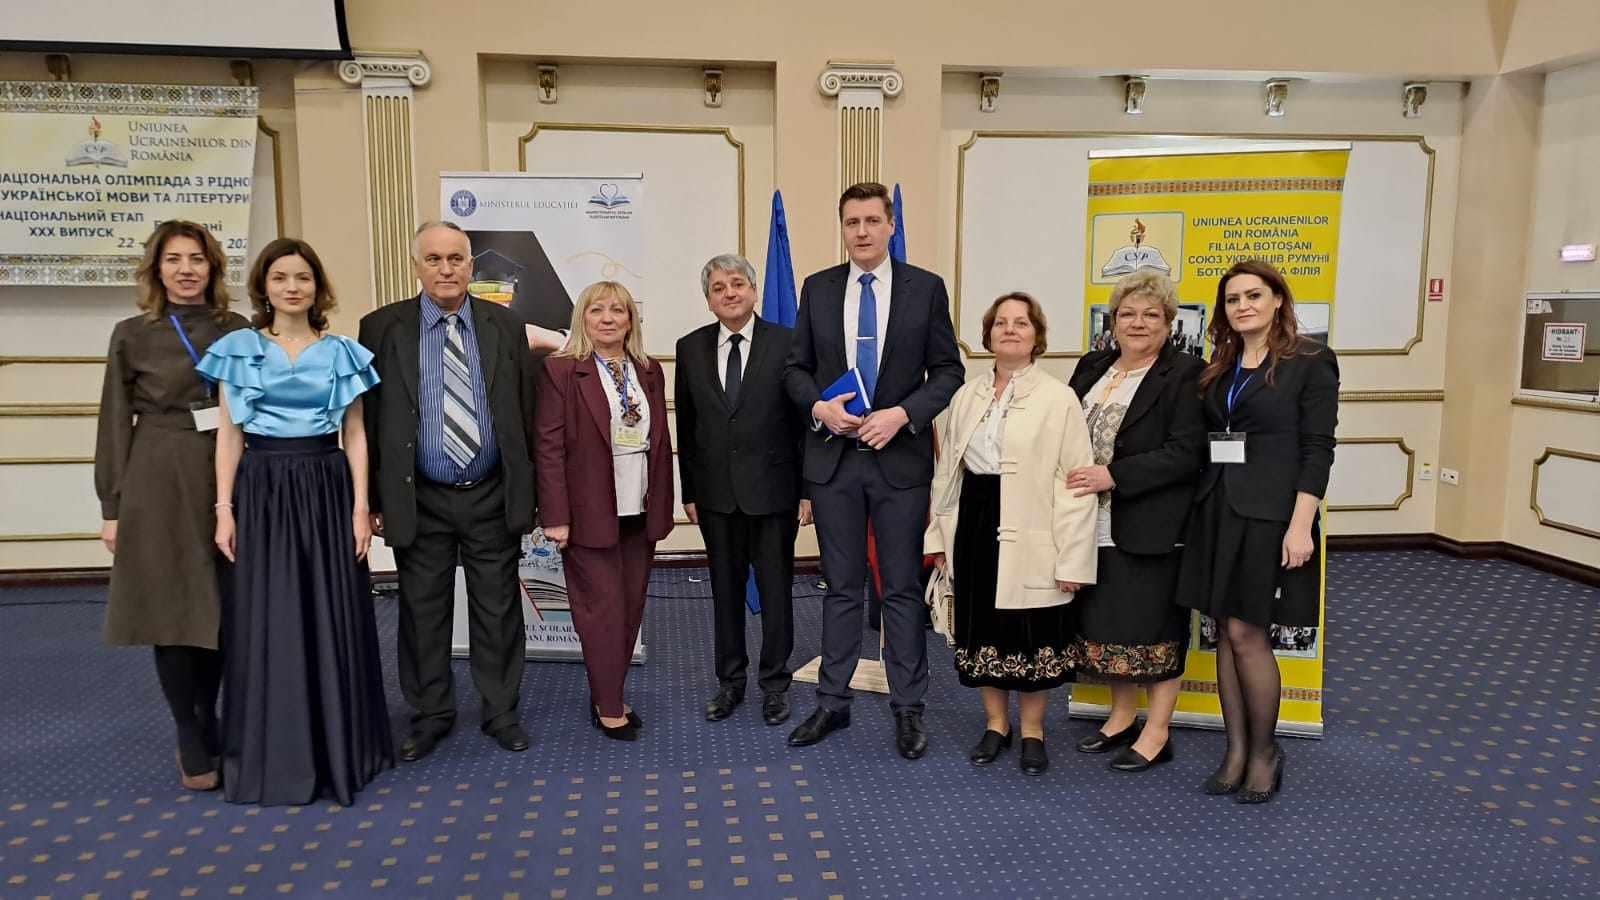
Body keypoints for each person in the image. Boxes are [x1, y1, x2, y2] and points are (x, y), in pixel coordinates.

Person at [202, 238, 391, 805]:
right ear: (263, 286)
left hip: (326, 486)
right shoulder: (238, 349)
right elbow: (228, 435)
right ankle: (277, 751)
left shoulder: (343, 353)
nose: (292, 287)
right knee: (270, 611)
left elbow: (355, 435)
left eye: (302, 277)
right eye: (280, 277)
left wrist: (360, 507)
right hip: (262, 489)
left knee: (331, 609)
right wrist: (224, 509)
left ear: (317, 286)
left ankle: (338, 746)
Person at [783, 182, 965, 760]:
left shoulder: (925, 288)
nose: (861, 231)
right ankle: (832, 703)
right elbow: (795, 370)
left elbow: (949, 371)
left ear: (891, 226)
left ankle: (908, 708)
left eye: (871, 221)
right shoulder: (817, 289)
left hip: (899, 463)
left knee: (901, 590)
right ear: (842, 229)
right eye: (851, 222)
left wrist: (903, 415)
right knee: (839, 587)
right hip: (834, 463)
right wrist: (820, 408)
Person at [357, 221, 541, 761]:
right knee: (422, 611)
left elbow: (525, 411)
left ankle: (500, 710)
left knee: (498, 609)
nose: (446, 269)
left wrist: (529, 492)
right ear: (417, 266)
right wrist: (373, 500)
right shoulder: (381, 327)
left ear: (470, 265)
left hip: (490, 491)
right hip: (420, 495)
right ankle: (431, 712)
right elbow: (369, 418)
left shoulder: (505, 325)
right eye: (434, 259)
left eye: (456, 259)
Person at [94, 221, 250, 792]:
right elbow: (114, 421)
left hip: (231, 469)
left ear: (214, 267)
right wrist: (112, 505)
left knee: (224, 604)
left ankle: (215, 715)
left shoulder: (238, 329)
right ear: (156, 269)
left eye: (197, 259)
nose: (186, 270)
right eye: (174, 259)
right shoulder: (132, 335)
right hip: (159, 473)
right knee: (173, 605)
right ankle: (189, 729)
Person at [1179, 259, 1339, 804]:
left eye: (1253, 295)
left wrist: (1301, 525)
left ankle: (1265, 751)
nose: (1242, 306)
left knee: (1248, 632)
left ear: (1277, 301)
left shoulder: (1310, 361)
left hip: (1272, 514)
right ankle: (1236, 749)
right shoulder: (1221, 365)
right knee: (1225, 630)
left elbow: (1318, 448)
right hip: (1217, 509)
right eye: (1232, 299)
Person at [924, 293, 1097, 775]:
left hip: (1034, 524)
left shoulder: (1058, 397)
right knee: (981, 627)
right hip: (974, 520)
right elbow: (947, 473)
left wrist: (1072, 559)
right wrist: (938, 539)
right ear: (988, 335)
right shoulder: (967, 395)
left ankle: (1034, 731)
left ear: (1036, 334)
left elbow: (1077, 483)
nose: (1010, 330)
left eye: (1021, 323)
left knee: (1030, 630)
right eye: (1000, 323)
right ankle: (996, 724)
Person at [1065, 271, 1207, 772]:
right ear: (1113, 321)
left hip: (1151, 522)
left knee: (1154, 628)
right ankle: (1122, 716)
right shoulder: (1092, 365)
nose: (1138, 323)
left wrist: (1115, 475)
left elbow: (1188, 452)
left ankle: (1157, 731)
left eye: (1151, 315)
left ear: (1169, 323)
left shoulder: (1186, 373)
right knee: (1108, 623)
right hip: (1088, 522)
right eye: (1128, 314)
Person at [536, 281, 674, 741]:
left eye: (618, 310)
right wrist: (555, 515)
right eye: (597, 310)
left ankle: (609, 691)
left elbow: (660, 441)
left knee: (630, 607)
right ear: (583, 318)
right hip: (588, 511)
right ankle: (609, 705)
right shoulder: (561, 371)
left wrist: (665, 502)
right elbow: (549, 448)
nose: (608, 318)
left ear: (631, 320)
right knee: (602, 611)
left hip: (640, 506)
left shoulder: (648, 369)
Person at [675, 254, 810, 726]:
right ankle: (730, 681)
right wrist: (689, 491)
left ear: (753, 291)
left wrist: (807, 491)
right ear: (708, 299)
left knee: (776, 593)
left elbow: (803, 425)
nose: (729, 293)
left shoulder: (788, 342)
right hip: (715, 495)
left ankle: (775, 685)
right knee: (725, 593)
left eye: (737, 284)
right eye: (718, 287)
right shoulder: (690, 347)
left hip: (774, 492)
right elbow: (687, 426)